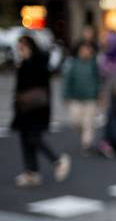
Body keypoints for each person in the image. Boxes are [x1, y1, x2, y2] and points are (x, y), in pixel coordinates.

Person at [11, 35, 71, 187]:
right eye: (19, 48)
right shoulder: (23, 63)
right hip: (24, 109)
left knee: (34, 138)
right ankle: (31, 172)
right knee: (25, 140)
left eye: (23, 47)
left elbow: (41, 87)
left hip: (37, 109)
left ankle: (57, 161)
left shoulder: (39, 62)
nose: (21, 50)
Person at [62, 41, 102, 156]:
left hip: (91, 98)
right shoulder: (73, 64)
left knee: (88, 122)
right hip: (76, 98)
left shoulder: (94, 64)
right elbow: (67, 81)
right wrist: (66, 95)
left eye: (88, 49)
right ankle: (85, 136)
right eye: (84, 49)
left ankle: (86, 144)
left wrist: (99, 93)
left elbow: (98, 80)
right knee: (75, 121)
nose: (86, 52)